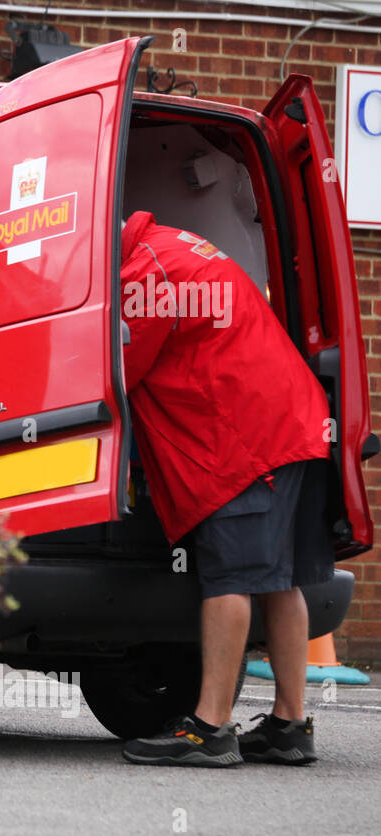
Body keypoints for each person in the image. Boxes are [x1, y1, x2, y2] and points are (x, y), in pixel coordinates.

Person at [116, 210, 333, 768]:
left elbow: (117, 369)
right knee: (279, 580)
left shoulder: (147, 271)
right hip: (293, 425)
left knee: (229, 579)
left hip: (245, 441)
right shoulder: (176, 246)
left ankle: (210, 727)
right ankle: (289, 725)